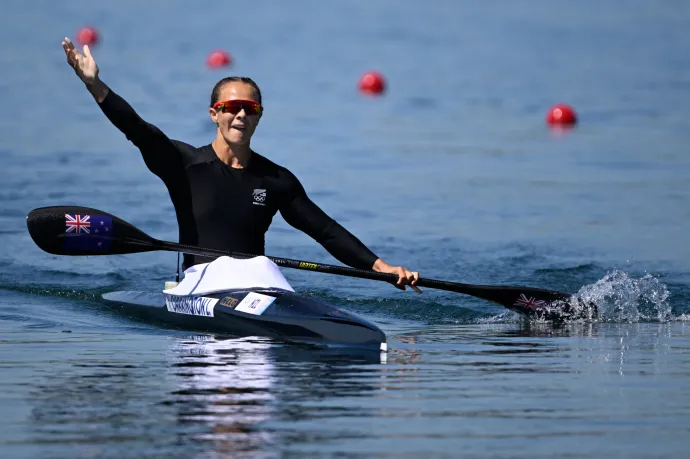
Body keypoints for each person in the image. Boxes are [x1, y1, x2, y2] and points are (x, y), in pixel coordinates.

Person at [61, 37, 421, 292]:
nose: (241, 116)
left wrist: (382, 267)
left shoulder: (276, 180)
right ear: (214, 115)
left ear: (260, 117)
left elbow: (325, 231)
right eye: (231, 108)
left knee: (263, 267)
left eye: (251, 109)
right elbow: (137, 130)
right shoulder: (183, 163)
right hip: (200, 284)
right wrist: (95, 85)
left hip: (258, 282)